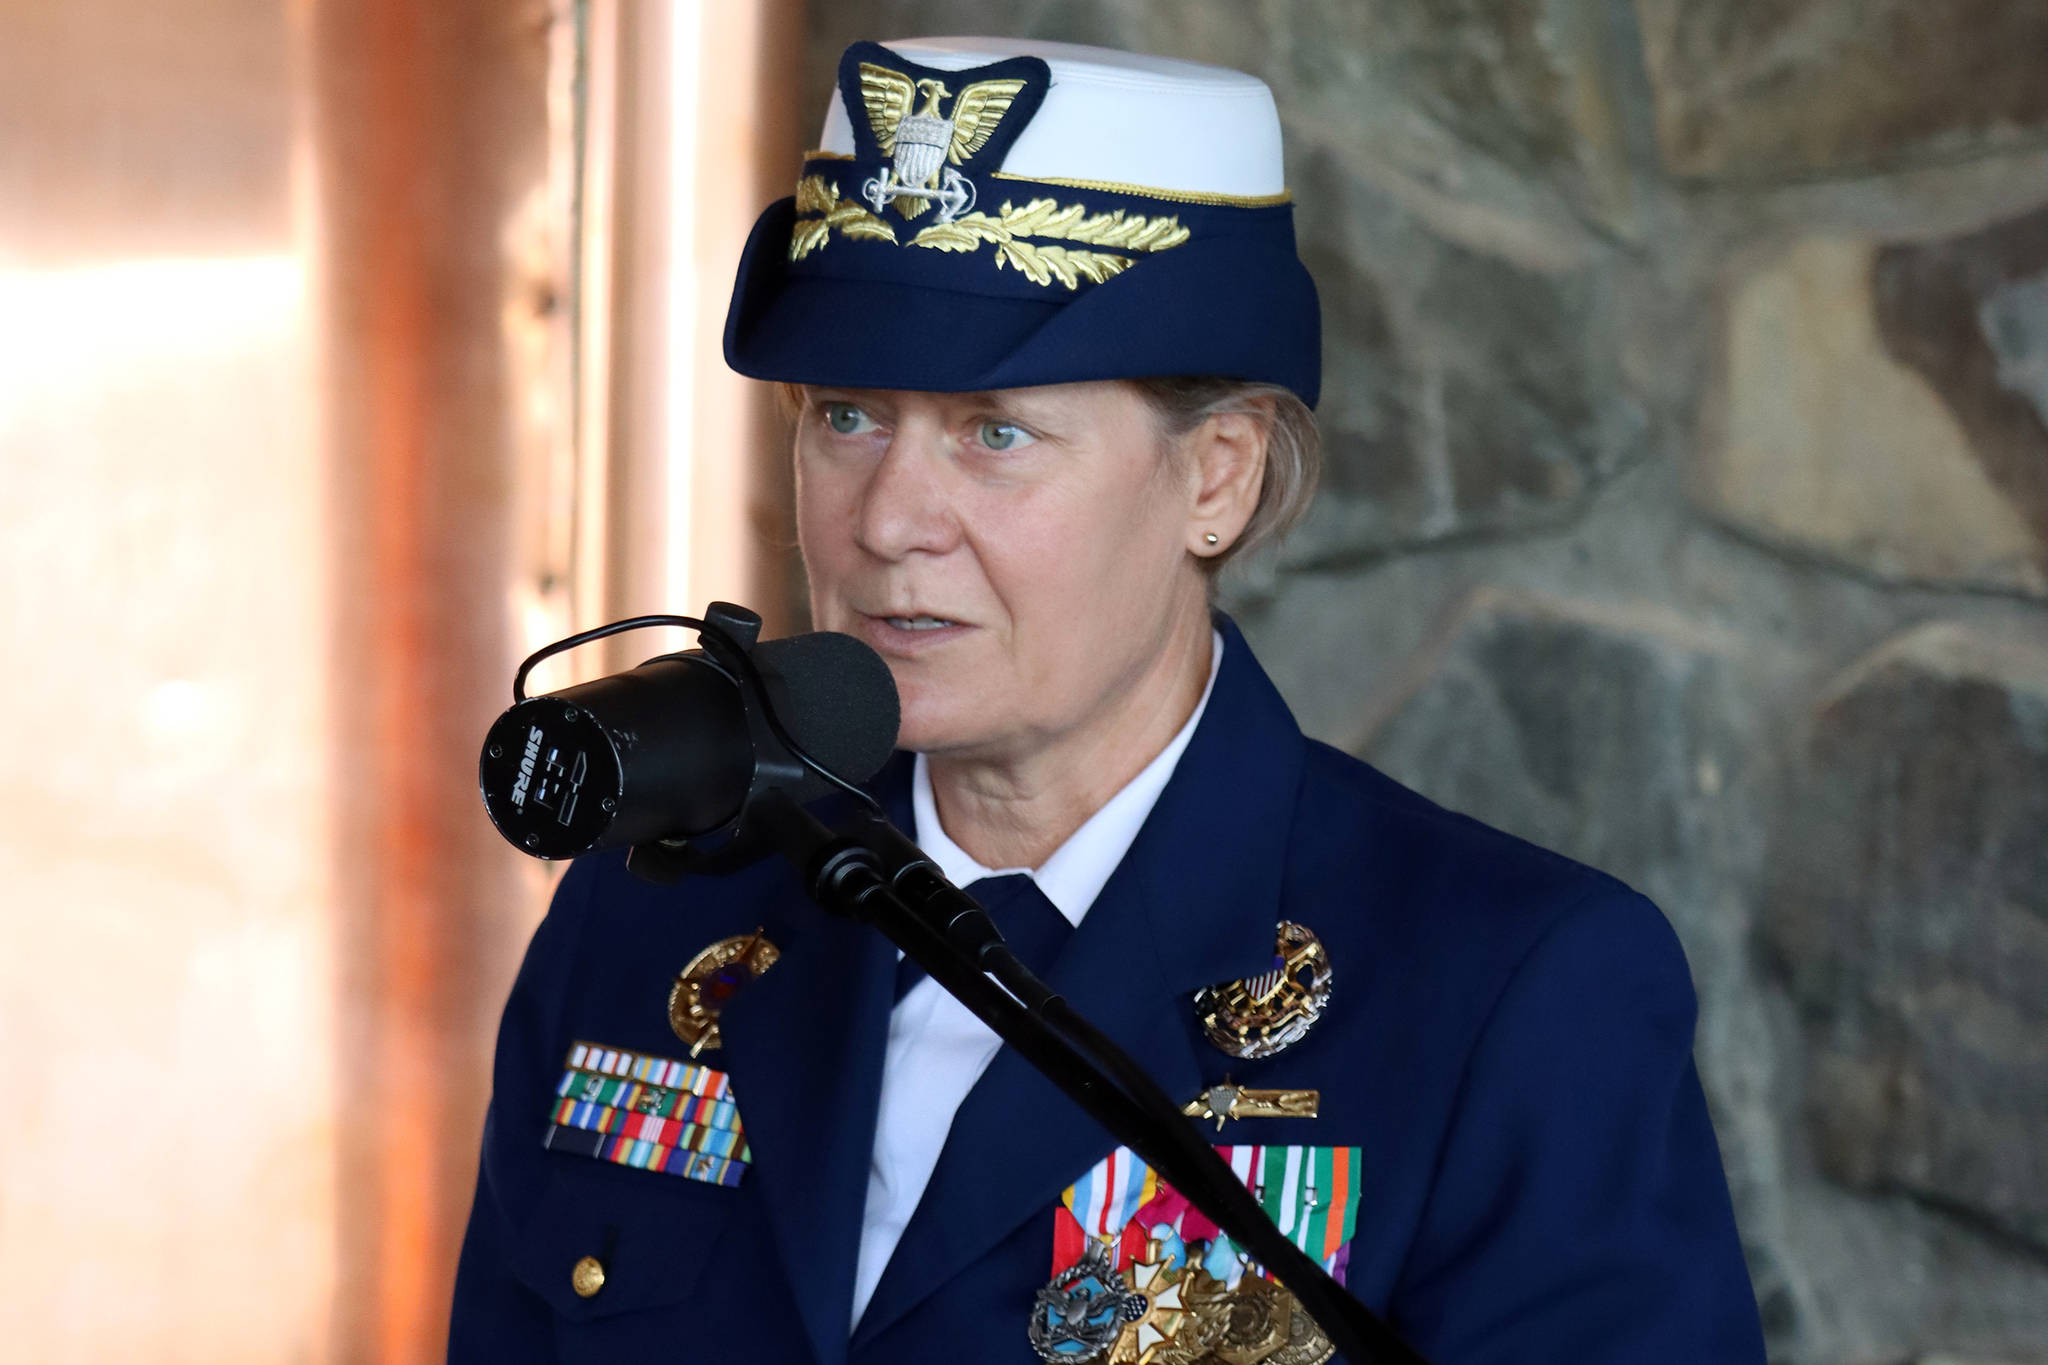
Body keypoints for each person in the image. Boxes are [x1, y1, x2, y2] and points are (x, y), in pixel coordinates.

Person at [449, 37, 1766, 1365]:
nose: (890, 519)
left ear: (1220, 479)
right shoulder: (652, 915)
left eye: (994, 432)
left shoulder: (1509, 992)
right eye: (845, 414)